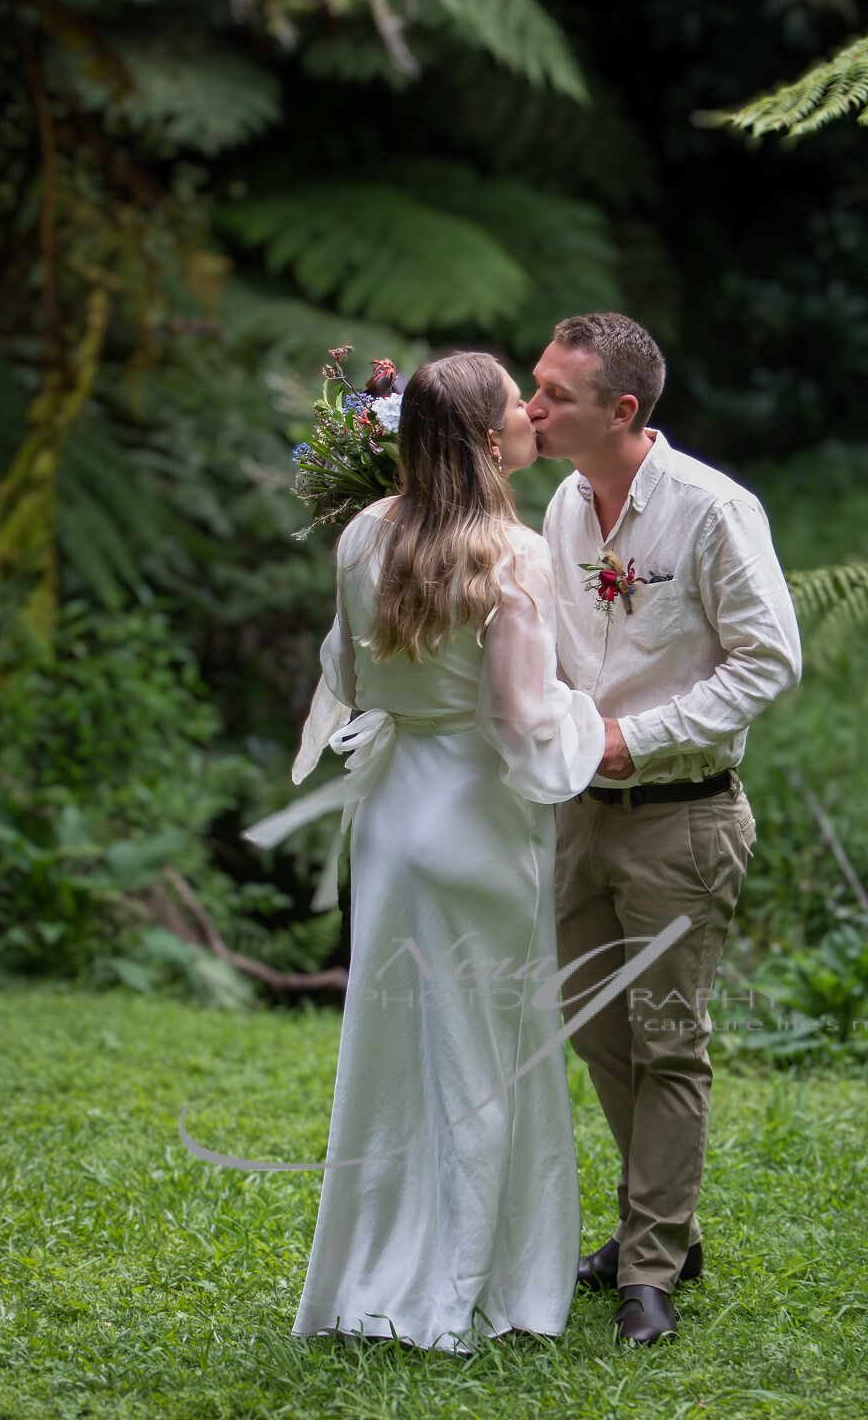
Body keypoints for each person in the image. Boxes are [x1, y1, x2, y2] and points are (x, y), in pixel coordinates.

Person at [277, 351, 603, 1352]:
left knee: (391, 1055)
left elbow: (345, 674)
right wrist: (589, 727)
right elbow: (519, 718)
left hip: (391, 817)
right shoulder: (514, 554)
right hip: (476, 820)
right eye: (516, 405)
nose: (532, 414)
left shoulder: (364, 534)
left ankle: (371, 1272)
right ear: (488, 441)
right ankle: (470, 1285)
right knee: (486, 1060)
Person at [525, 313, 802, 1345]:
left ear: (623, 410)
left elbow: (769, 660)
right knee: (600, 1029)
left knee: (669, 1043)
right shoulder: (561, 504)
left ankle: (648, 1269)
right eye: (534, 386)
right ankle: (666, 1229)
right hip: (577, 815)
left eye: (554, 394)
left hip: (682, 818)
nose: (531, 407)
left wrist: (634, 738)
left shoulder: (713, 509)